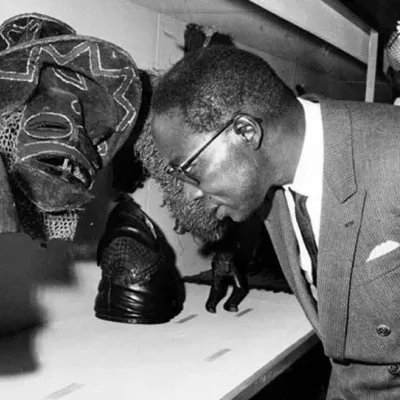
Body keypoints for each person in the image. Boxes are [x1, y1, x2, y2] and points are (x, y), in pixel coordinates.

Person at [140, 45, 400, 399]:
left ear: (246, 132)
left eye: (190, 170)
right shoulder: (268, 178)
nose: (189, 194)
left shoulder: (393, 152)